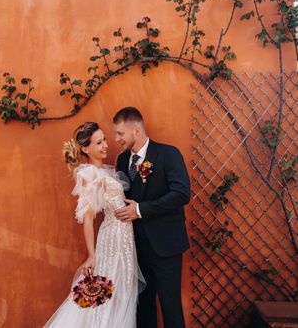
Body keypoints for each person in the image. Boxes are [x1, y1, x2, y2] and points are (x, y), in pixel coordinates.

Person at [44, 122, 144, 328]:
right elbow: (88, 217)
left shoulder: (107, 170)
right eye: (99, 142)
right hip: (112, 239)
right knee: (108, 294)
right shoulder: (88, 174)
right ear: (86, 149)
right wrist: (92, 255)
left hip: (125, 237)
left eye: (104, 139)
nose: (106, 145)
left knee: (123, 290)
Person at [113, 107, 191, 328]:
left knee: (170, 305)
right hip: (136, 246)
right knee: (142, 304)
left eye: (120, 134)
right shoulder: (121, 161)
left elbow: (181, 194)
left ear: (136, 130)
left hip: (166, 245)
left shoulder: (168, 154)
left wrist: (140, 210)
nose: (117, 139)